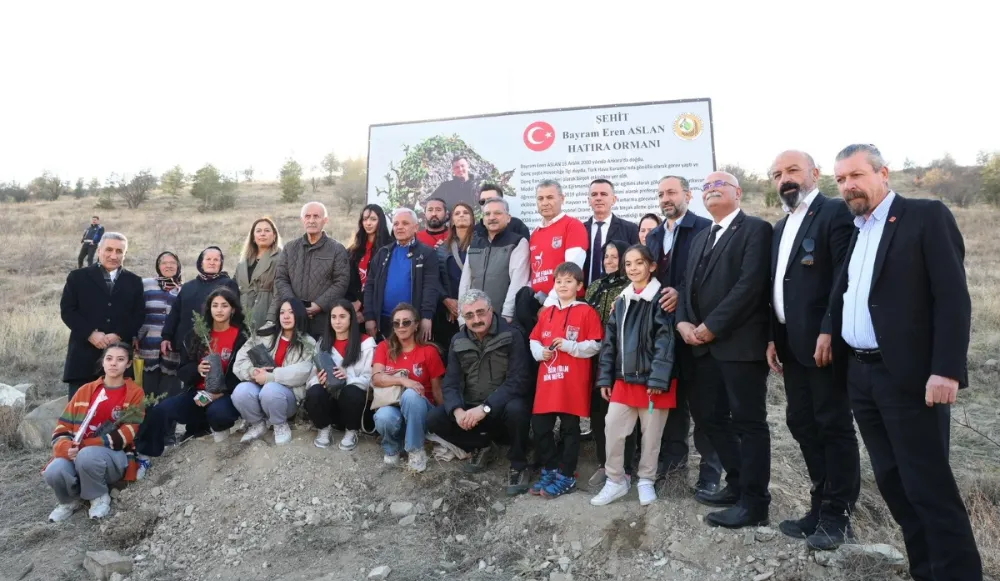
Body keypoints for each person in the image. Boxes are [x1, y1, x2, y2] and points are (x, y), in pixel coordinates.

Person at [827, 144, 982, 580]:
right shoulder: (857, 229)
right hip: (861, 375)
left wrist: (946, 369)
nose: (848, 186)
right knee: (894, 484)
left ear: (883, 173)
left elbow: (952, 298)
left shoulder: (925, 216)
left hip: (909, 378)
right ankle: (926, 571)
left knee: (928, 487)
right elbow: (851, 294)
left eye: (856, 175)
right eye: (840, 180)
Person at [766, 150, 860, 550]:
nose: (784, 179)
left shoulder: (834, 212)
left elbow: (844, 275)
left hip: (823, 344)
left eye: (792, 170)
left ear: (815, 173)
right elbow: (777, 286)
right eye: (777, 174)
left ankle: (839, 516)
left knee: (832, 425)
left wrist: (829, 329)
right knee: (801, 422)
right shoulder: (780, 226)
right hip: (790, 345)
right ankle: (819, 507)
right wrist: (772, 337)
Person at [675, 171, 773, 529]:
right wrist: (683, 322)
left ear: (738, 192)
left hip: (739, 347)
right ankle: (737, 484)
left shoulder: (756, 229)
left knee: (748, 423)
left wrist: (712, 326)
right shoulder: (702, 236)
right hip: (701, 350)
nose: (711, 190)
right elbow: (686, 285)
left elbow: (750, 286)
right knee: (710, 418)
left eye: (720, 185)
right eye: (707, 187)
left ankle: (755, 503)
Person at [647, 176, 722, 495]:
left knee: (705, 404)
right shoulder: (653, 236)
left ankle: (711, 472)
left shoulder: (705, 228)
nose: (666, 198)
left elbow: (711, 276)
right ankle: (673, 467)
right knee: (672, 402)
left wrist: (682, 294)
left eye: (672, 192)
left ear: (688, 196)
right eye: (661, 193)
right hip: (663, 334)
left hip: (694, 328)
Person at [590, 245, 676, 507]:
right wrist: (605, 378)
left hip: (654, 382)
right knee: (612, 427)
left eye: (639, 262)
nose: (633, 268)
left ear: (652, 266)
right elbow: (609, 344)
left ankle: (646, 480)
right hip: (624, 380)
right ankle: (616, 480)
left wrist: (658, 379)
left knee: (651, 436)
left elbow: (665, 342)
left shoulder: (660, 299)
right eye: (628, 264)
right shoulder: (622, 301)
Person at [426, 289, 533, 496]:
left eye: (480, 312)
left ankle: (519, 464)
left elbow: (519, 381)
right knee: (434, 418)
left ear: (491, 310)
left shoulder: (512, 335)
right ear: (462, 317)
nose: (476, 320)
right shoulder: (458, 340)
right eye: (469, 315)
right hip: (472, 412)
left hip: (501, 410)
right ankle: (481, 446)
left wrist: (485, 408)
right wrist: (457, 411)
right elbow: (450, 383)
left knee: (518, 408)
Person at [136, 288, 246, 459]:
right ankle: (145, 455)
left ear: (232, 309)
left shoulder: (241, 336)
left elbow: (242, 374)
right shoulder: (196, 334)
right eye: (215, 305)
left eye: (224, 306)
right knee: (161, 410)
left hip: (226, 395)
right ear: (209, 308)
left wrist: (217, 394)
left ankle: (218, 433)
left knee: (218, 413)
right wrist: (197, 369)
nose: (219, 310)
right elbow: (182, 370)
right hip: (198, 394)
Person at [44, 342, 145, 522]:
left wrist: (84, 445)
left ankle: (98, 496)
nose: (113, 363)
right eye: (109, 358)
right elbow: (62, 427)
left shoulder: (134, 393)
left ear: (128, 364)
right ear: (103, 362)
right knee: (54, 470)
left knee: (88, 455)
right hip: (78, 452)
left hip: (113, 456)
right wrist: (66, 448)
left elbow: (128, 433)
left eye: (120, 359)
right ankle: (70, 500)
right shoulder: (85, 390)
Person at [528, 263, 603, 498]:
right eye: (559, 281)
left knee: (570, 429)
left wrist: (570, 346)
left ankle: (567, 475)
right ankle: (550, 469)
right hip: (548, 383)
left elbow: (596, 345)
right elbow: (534, 339)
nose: (562, 285)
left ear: (579, 286)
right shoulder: (547, 312)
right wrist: (539, 352)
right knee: (540, 426)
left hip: (572, 384)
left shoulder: (586, 312)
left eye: (568, 281)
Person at [60, 232, 145, 398]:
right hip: (83, 357)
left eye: (119, 251)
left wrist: (119, 334)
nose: (113, 255)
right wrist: (90, 333)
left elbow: (138, 315)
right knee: (80, 409)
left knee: (116, 411)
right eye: (109, 249)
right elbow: (68, 311)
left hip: (119, 361)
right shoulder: (77, 277)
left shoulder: (134, 281)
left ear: (125, 254)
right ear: (99, 250)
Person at [583, 240, 637, 489]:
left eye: (615, 256)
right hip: (595, 357)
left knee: (622, 414)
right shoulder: (595, 286)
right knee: (598, 413)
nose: (609, 261)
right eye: (606, 256)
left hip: (622, 359)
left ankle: (625, 468)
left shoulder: (631, 286)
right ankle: (604, 464)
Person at [371, 303, 446, 472]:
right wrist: (403, 380)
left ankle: (415, 450)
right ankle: (393, 448)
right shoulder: (384, 347)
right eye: (396, 323)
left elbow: (437, 391)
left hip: (422, 414)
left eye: (406, 322)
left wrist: (445, 421)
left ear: (416, 325)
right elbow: (376, 378)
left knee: (411, 395)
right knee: (383, 415)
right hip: (394, 407)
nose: (401, 326)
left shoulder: (429, 351)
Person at [232, 299, 318, 446]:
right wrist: (252, 372)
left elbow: (304, 371)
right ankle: (257, 423)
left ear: (299, 315)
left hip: (287, 398)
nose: (286, 316)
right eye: (282, 312)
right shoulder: (265, 334)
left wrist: (271, 377)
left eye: (291, 312)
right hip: (259, 389)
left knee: (270, 389)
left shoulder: (308, 342)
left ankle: (279, 424)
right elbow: (240, 361)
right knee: (240, 391)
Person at [305, 299, 376, 451]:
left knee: (352, 392)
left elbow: (371, 379)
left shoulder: (366, 343)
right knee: (314, 392)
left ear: (351, 318)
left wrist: (347, 376)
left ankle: (351, 431)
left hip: (353, 405)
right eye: (334, 317)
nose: (337, 321)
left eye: (342, 316)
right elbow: (312, 375)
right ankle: (324, 428)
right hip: (330, 404)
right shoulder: (323, 343)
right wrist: (319, 378)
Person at [274, 201, 351, 339]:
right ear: (302, 220)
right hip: (293, 320)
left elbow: (341, 282)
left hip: (323, 321)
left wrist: (319, 305)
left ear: (325, 220)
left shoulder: (337, 249)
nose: (311, 220)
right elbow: (281, 278)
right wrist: (294, 306)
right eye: (307, 216)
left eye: (316, 216)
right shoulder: (290, 248)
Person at [363, 207, 440, 341]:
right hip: (384, 321)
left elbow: (430, 287)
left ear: (416, 228)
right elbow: (370, 286)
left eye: (405, 223)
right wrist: (369, 317)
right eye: (396, 224)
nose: (399, 227)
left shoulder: (427, 254)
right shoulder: (383, 253)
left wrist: (426, 316)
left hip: (412, 323)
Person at [160, 246, 240, 363]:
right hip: (185, 343)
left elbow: (234, 313)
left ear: (221, 263)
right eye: (208, 259)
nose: (212, 262)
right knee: (186, 373)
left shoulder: (228, 284)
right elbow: (175, 312)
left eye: (216, 260)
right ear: (201, 263)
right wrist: (166, 336)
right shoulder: (188, 286)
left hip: (213, 343)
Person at [458, 197, 530, 326]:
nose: (492, 217)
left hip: (503, 320)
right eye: (487, 214)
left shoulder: (517, 243)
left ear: (508, 218)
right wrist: (462, 317)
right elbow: (465, 283)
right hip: (474, 320)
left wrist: (507, 315)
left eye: (497, 213)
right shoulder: (473, 245)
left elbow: (518, 283)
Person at [136, 251, 183, 399]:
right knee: (146, 395)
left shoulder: (183, 289)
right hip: (147, 346)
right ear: (158, 266)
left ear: (178, 266)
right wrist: (134, 335)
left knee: (168, 396)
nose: (168, 266)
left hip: (172, 351)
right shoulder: (146, 285)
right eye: (164, 263)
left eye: (172, 263)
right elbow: (134, 310)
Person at [582, 179, 639, 286]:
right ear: (589, 200)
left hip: (619, 290)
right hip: (583, 291)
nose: (598, 198)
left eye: (603, 194)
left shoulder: (630, 229)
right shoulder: (580, 229)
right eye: (594, 194)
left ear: (613, 199)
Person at [436, 202, 475, 349]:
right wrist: (446, 300)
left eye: (465, 212)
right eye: (457, 213)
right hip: (450, 311)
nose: (461, 215)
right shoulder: (441, 249)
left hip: (475, 306)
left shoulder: (482, 244)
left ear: (472, 218)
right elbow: (435, 278)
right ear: (452, 220)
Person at [346, 204, 394, 323]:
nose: (368, 223)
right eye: (365, 219)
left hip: (379, 305)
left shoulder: (390, 247)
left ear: (380, 221)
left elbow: (384, 280)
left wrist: (362, 301)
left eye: (373, 219)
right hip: (355, 306)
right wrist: (353, 304)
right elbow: (350, 279)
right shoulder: (355, 248)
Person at [235, 217, 283, 330]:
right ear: (253, 237)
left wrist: (271, 319)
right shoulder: (243, 261)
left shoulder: (281, 258)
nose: (262, 234)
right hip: (242, 317)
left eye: (267, 230)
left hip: (265, 314)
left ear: (274, 236)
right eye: (258, 231)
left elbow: (279, 293)